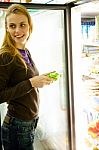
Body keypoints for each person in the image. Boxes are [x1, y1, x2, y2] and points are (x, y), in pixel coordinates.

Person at [0, 4, 55, 150]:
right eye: (12, 26)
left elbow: (24, 79)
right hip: (17, 126)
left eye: (22, 25)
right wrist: (31, 83)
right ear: (7, 28)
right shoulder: (6, 55)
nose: (17, 30)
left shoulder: (25, 51)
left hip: (28, 124)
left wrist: (41, 78)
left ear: (29, 26)